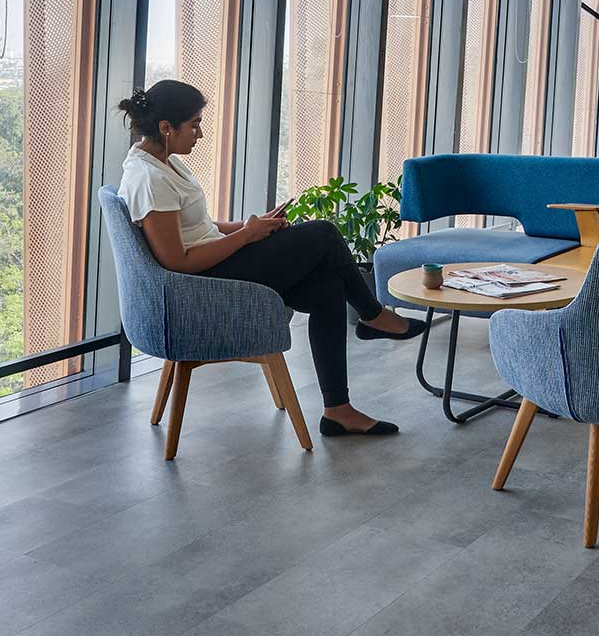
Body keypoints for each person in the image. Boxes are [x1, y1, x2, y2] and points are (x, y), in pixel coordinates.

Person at [116, 80, 421, 437]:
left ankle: (338, 410)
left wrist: (251, 225)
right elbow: (178, 261)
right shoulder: (148, 178)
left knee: (328, 288)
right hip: (201, 285)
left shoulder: (165, 162)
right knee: (322, 233)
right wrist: (247, 236)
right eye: (194, 124)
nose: (200, 133)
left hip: (216, 263)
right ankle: (373, 315)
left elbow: (195, 226)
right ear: (166, 127)